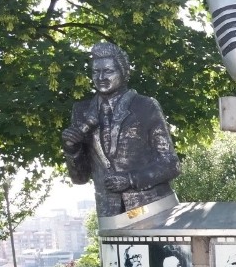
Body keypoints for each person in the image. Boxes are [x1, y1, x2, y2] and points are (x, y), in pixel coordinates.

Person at [61, 42, 180, 219]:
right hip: (110, 216)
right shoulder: (81, 111)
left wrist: (131, 179)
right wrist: (72, 150)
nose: (101, 77)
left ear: (123, 73)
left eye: (108, 71)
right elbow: (80, 178)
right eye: (96, 72)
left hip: (151, 209)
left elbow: (171, 164)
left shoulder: (145, 106)